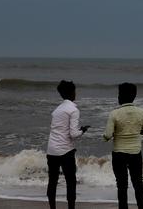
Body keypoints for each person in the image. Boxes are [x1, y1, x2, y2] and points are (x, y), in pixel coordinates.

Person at [104, 82, 143, 209]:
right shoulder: (142, 112)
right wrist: (135, 131)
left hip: (119, 153)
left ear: (121, 96)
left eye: (119, 94)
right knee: (138, 183)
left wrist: (109, 136)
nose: (118, 97)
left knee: (121, 185)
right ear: (134, 96)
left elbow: (107, 135)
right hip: (136, 152)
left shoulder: (114, 113)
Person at [46, 80, 88, 209]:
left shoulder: (57, 110)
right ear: (72, 93)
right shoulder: (73, 110)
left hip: (51, 150)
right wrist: (83, 131)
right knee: (71, 182)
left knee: (52, 181)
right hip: (65, 151)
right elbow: (73, 134)